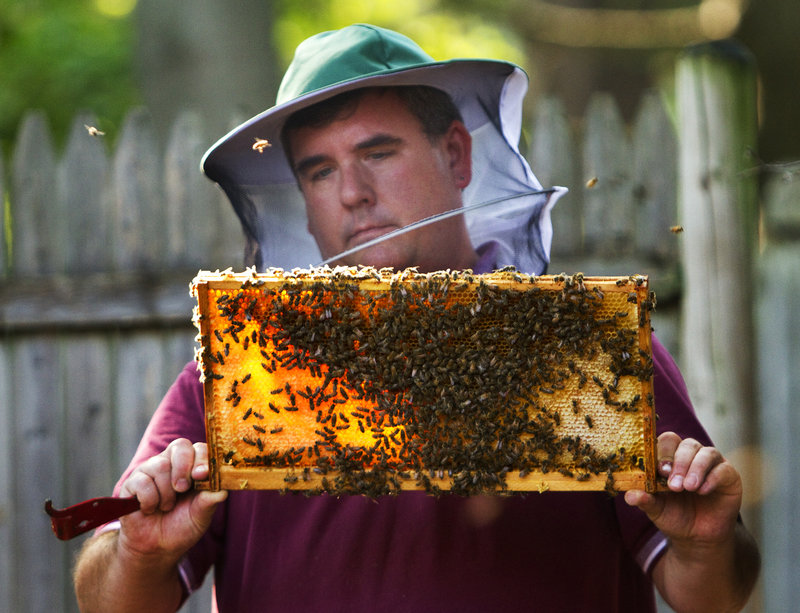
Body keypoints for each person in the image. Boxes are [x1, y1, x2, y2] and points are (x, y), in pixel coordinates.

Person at [73, 24, 759, 613]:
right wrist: (137, 550)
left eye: (377, 152)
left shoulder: (584, 354)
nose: (351, 193)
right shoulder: (239, 375)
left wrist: (704, 543)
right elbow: (106, 598)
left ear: (456, 154)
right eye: (318, 170)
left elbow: (715, 591)